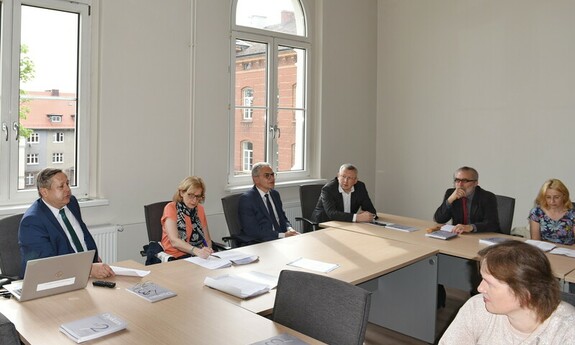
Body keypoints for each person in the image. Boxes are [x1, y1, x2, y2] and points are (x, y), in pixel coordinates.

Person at [439, 241, 575, 344]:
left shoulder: (567, 330)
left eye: (490, 283)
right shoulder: (477, 307)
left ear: (525, 293)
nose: (480, 288)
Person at [18, 168, 114, 279]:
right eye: (61, 186)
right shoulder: (32, 222)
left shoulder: (71, 202)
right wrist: (89, 269)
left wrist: (93, 260)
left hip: (84, 275)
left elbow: (80, 237)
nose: (68, 189)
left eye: (68, 184)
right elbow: (45, 265)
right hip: (53, 280)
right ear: (44, 192)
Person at [238, 162, 300, 242]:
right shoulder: (247, 199)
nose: (272, 178)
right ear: (256, 179)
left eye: (272, 175)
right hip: (261, 242)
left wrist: (290, 229)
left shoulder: (275, 194)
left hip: (281, 239)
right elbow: (252, 231)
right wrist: (282, 235)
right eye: (267, 175)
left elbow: (283, 218)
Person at [434, 166, 500, 234]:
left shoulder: (487, 197)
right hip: (460, 236)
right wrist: (450, 200)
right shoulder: (451, 193)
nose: (460, 185)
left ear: (475, 183)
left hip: (480, 236)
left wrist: (470, 227)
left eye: (465, 181)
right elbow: (439, 219)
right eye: (457, 180)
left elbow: (492, 224)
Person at [160, 176, 214, 259]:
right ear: (182, 193)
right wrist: (196, 251)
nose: (194, 200)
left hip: (197, 257)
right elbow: (174, 241)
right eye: (191, 195)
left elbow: (207, 240)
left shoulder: (200, 209)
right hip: (174, 257)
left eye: (198, 196)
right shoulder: (171, 208)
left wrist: (208, 250)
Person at [311, 164, 377, 223]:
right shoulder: (328, 189)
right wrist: (357, 217)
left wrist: (368, 215)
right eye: (343, 176)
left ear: (355, 180)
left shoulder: (360, 187)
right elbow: (332, 213)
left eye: (350, 178)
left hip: (346, 223)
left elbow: (371, 210)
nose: (345, 181)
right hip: (323, 225)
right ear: (338, 176)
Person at [529, 179, 575, 245]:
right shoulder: (537, 212)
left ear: (564, 196)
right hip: (545, 251)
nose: (552, 201)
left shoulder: (572, 214)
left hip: (568, 251)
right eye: (548, 197)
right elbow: (535, 241)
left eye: (556, 197)